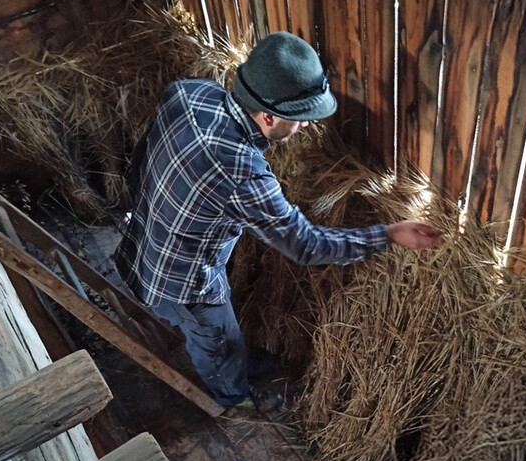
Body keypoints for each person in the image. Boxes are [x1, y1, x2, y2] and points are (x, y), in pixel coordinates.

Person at [114, 31, 443, 413]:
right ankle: (232, 397)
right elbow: (306, 246)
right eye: (300, 118)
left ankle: (234, 365)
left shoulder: (191, 93)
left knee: (221, 334)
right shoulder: (242, 171)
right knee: (215, 336)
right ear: (268, 116)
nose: (306, 126)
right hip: (180, 277)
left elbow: (140, 160)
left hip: (145, 234)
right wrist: (388, 233)